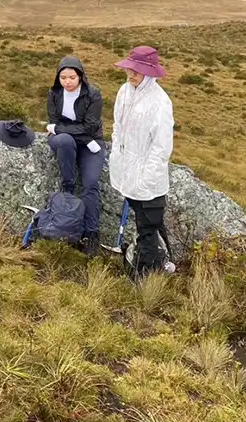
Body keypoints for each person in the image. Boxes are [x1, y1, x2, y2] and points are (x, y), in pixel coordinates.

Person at [109, 46, 174, 277]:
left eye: (137, 70)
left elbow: (161, 147)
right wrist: (116, 154)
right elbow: (117, 126)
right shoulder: (124, 92)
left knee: (148, 226)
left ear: (149, 73)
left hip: (148, 179)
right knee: (142, 222)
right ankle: (152, 261)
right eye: (130, 69)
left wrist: (147, 177)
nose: (131, 74)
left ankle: (147, 274)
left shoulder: (160, 102)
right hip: (127, 171)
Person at [46, 56, 105, 255]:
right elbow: (53, 123)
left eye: (72, 77)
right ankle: (67, 194)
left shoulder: (93, 94)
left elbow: (90, 127)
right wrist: (59, 130)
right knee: (64, 141)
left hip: (91, 142)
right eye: (63, 78)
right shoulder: (54, 93)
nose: (67, 82)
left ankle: (91, 234)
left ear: (80, 76)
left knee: (90, 184)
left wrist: (58, 128)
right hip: (68, 141)